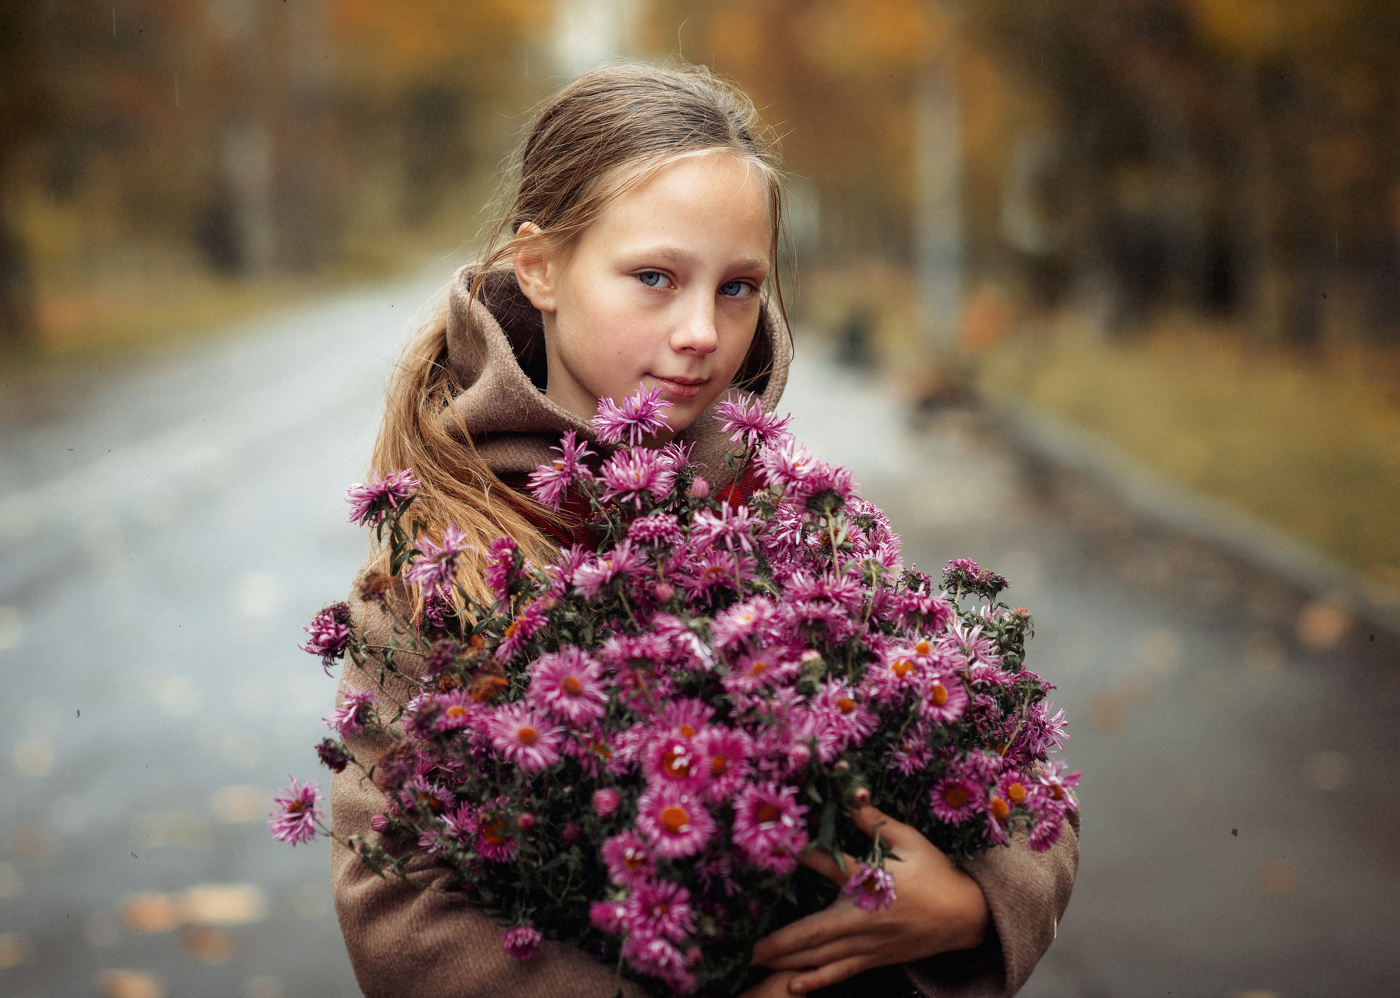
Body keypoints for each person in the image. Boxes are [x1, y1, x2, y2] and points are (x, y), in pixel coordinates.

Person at [330, 62, 1078, 998]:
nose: (701, 331)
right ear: (542, 267)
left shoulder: (791, 515)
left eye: (737, 288)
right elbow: (400, 918)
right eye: (655, 277)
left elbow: (1014, 770)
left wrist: (976, 908)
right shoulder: (451, 550)